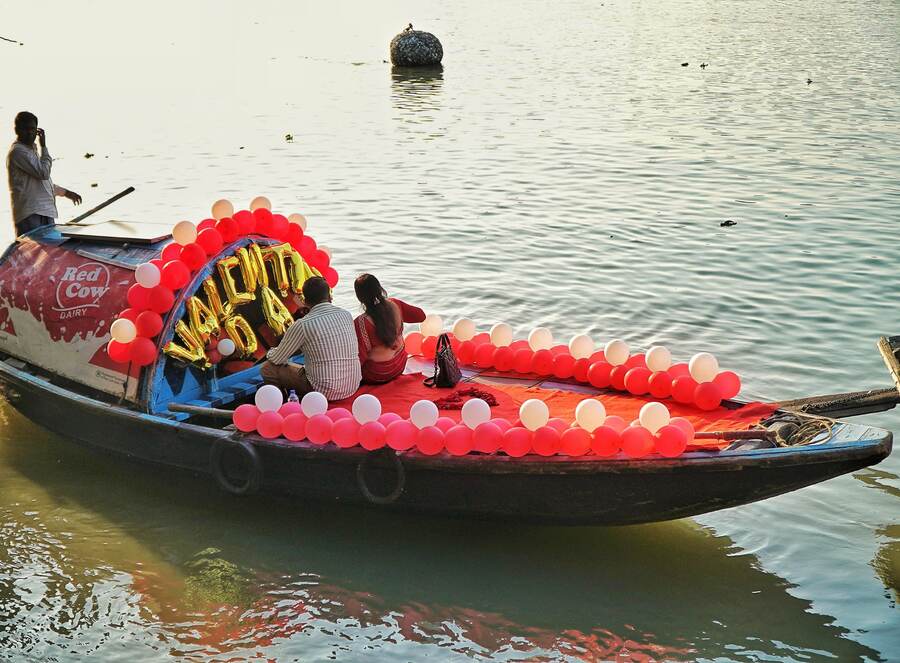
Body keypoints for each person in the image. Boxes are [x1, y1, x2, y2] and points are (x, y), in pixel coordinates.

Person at [260, 276, 361, 400]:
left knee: (267, 368)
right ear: (329, 296)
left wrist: (270, 352)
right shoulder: (346, 314)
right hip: (352, 386)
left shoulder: (303, 325)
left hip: (323, 391)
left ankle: (281, 406)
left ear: (305, 301)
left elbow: (277, 359)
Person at [6, 111, 82, 236]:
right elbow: (44, 173)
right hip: (30, 214)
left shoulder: (31, 150)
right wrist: (44, 147)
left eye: (32, 129)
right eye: (25, 129)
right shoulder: (18, 151)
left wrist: (66, 193)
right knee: (34, 253)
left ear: (37, 131)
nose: (30, 132)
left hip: (45, 212)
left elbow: (42, 183)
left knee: (51, 248)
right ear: (17, 130)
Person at [353, 273, 425, 384]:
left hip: (377, 374)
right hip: (400, 365)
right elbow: (421, 316)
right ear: (379, 288)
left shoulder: (360, 323)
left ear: (360, 297)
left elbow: (359, 359)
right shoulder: (395, 304)